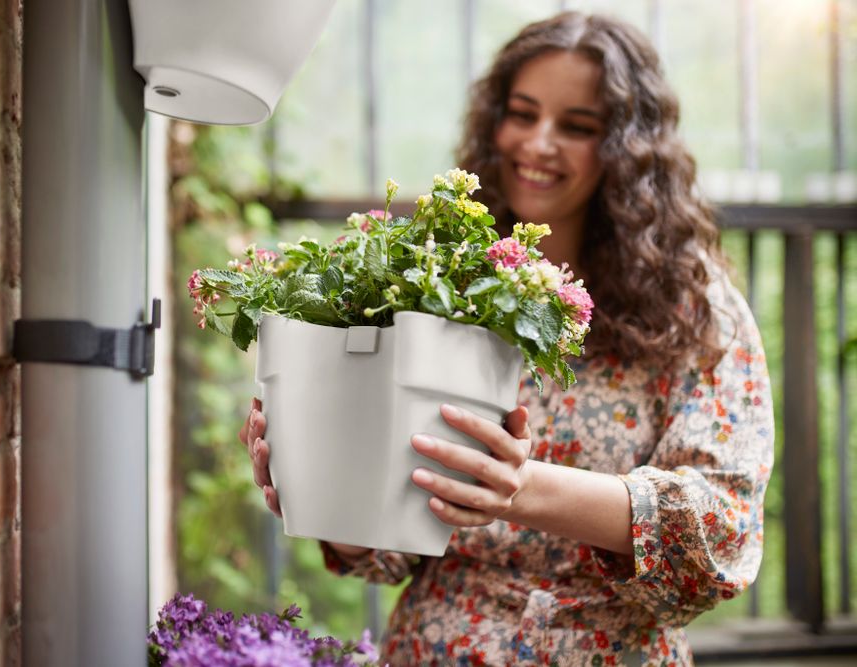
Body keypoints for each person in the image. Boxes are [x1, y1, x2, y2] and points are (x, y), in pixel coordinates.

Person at [238, 11, 774, 666]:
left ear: (627, 151)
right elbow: (388, 544)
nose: (539, 143)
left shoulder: (696, 309)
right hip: (435, 648)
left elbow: (719, 526)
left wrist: (520, 487)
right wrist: (318, 482)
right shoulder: (436, 282)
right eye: (522, 114)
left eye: (577, 127)